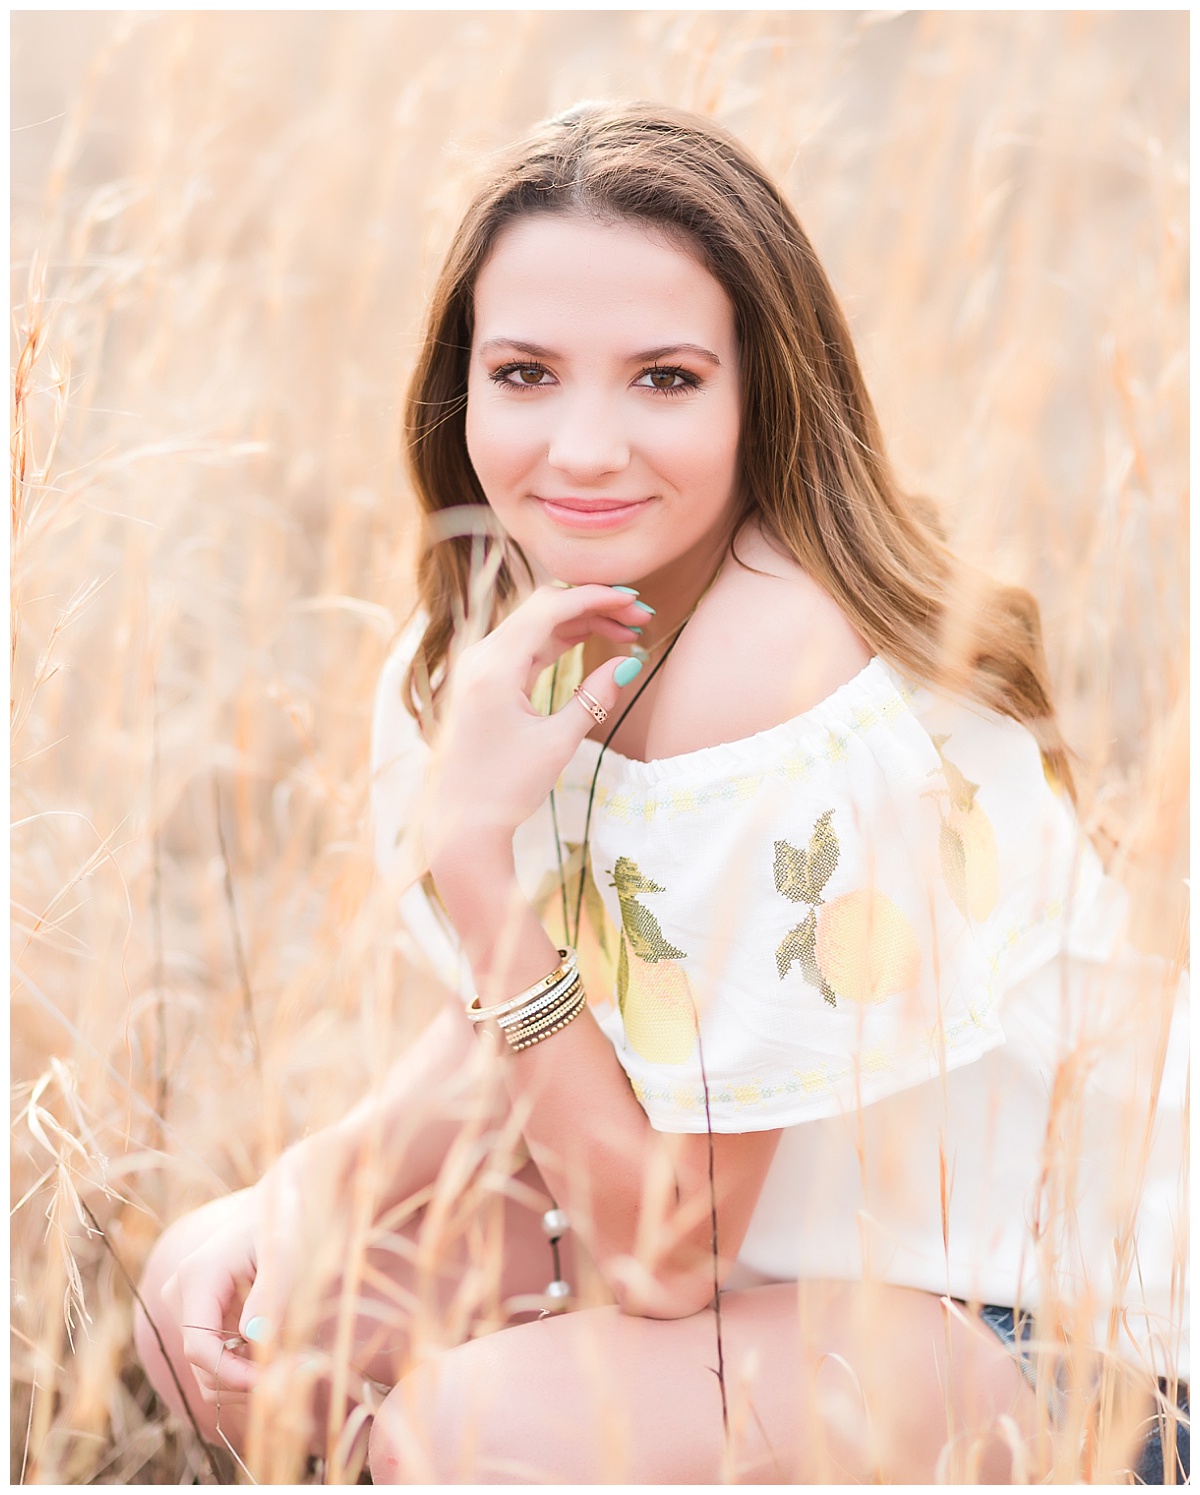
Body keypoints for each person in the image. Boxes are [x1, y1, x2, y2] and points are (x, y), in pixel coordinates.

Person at [135, 102, 1188, 1484]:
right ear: (462, 387)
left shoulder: (777, 662)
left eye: (665, 379)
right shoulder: (526, 617)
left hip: (1077, 1343)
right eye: (525, 373)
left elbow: (668, 1250)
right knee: (254, 1317)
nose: (581, 449)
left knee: (464, 1438)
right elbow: (542, 1022)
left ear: (765, 391)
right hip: (798, 1285)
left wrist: (470, 848)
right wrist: (297, 1190)